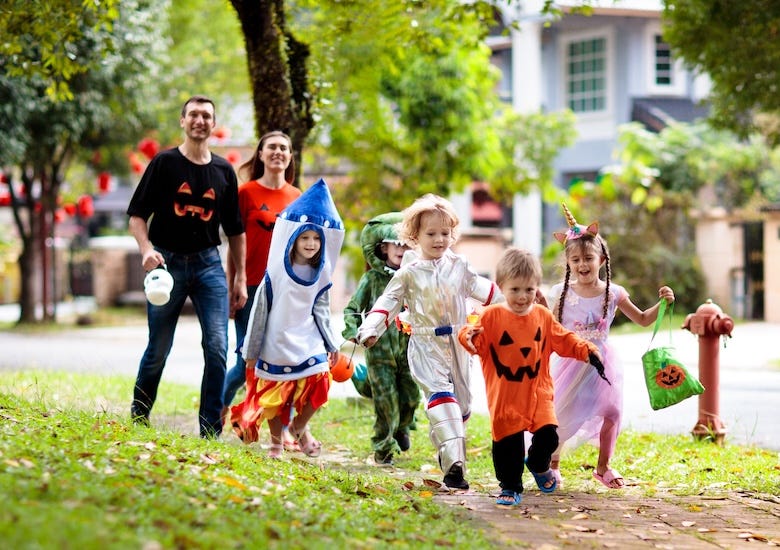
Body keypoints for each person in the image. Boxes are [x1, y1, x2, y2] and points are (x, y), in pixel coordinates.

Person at [357, 194, 502, 490]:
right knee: (441, 398)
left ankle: (446, 447)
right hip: (425, 344)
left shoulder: (460, 266)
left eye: (445, 233)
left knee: (461, 406)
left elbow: (486, 291)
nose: (439, 239)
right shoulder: (408, 274)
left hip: (460, 344)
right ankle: (455, 468)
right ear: (415, 236)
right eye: (431, 233)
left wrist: (517, 302)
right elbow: (389, 302)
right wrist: (371, 328)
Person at [126, 95, 247, 438]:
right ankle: (140, 414)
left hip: (209, 265)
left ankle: (210, 428)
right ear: (183, 121)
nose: (200, 120)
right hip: (167, 262)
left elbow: (236, 231)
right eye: (193, 114)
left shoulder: (223, 171)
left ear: (213, 124)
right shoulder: (164, 164)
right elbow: (137, 216)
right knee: (159, 347)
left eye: (206, 115)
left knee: (217, 347)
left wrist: (238, 280)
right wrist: (146, 249)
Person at [457, 248, 608, 506]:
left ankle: (538, 465)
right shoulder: (492, 316)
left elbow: (564, 338)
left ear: (537, 288)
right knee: (508, 446)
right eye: (515, 290)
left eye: (529, 290)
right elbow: (472, 336)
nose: (522, 296)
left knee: (549, 436)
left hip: (539, 393)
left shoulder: (542, 316)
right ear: (501, 286)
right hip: (506, 396)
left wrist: (588, 351)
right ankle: (510, 486)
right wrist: (468, 337)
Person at [548, 203, 675, 489]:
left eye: (589, 258)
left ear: (602, 259)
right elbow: (547, 326)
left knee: (612, 412)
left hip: (603, 363)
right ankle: (553, 464)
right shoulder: (560, 293)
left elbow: (642, 319)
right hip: (571, 360)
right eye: (576, 259)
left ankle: (603, 466)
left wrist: (664, 304)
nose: (583, 265)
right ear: (568, 263)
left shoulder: (613, 292)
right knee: (562, 413)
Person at [234, 178, 344, 458]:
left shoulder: (322, 274)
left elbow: (321, 310)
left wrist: (332, 344)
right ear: (293, 239)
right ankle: (275, 443)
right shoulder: (276, 272)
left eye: (316, 238)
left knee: (320, 379)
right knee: (275, 392)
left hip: (307, 336)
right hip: (276, 337)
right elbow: (260, 310)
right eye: (305, 238)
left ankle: (298, 427)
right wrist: (252, 349)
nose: (311, 243)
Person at [221, 131, 302, 450]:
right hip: (251, 284)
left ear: (290, 156)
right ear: (260, 154)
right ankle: (218, 409)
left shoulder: (297, 196)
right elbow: (234, 243)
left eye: (284, 148)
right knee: (246, 357)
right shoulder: (245, 193)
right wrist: (233, 283)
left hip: (285, 289)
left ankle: (282, 429)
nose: (278, 152)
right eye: (272, 147)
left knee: (286, 358)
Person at [342, 212, 420, 466]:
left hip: (410, 353)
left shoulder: (415, 278)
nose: (401, 249)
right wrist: (353, 331)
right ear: (382, 247)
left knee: (411, 397)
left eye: (406, 244)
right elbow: (353, 308)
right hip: (379, 354)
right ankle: (383, 446)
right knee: (386, 402)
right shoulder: (372, 279)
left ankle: (403, 427)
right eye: (395, 243)